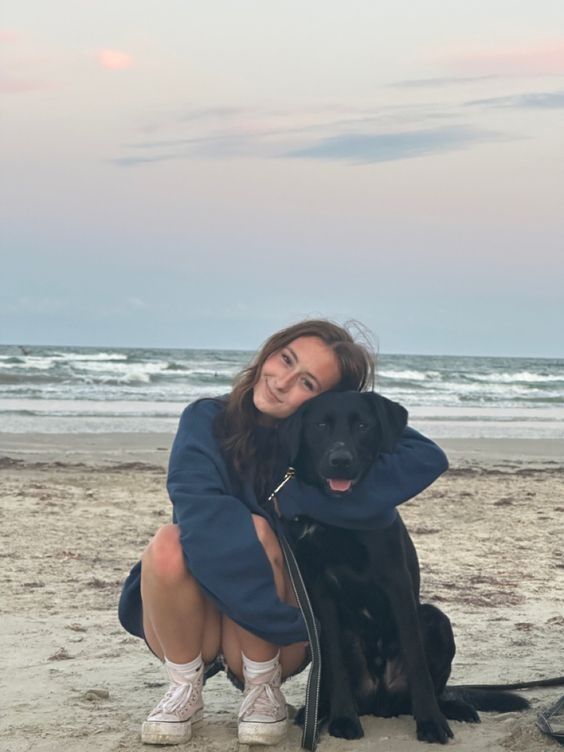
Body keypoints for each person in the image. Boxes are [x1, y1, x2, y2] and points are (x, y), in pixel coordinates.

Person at [118, 319, 449, 746]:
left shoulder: (317, 443)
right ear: (270, 350)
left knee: (259, 530)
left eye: (307, 383)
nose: (282, 382)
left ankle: (263, 690)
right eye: (285, 360)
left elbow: (423, 455)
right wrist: (282, 618)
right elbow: (198, 512)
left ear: (323, 400)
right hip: (212, 622)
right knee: (170, 540)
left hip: (269, 641)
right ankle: (183, 689)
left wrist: (296, 499)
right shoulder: (205, 419)